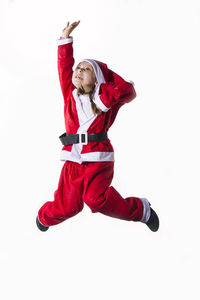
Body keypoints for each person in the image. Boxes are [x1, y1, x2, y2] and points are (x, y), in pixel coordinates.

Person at [36, 20, 159, 232]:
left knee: (95, 200)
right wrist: (65, 38)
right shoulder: (70, 94)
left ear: (97, 80)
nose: (79, 70)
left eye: (86, 69)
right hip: (73, 157)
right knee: (68, 206)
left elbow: (129, 91)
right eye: (78, 67)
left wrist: (106, 99)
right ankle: (44, 217)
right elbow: (64, 65)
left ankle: (141, 210)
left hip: (98, 156)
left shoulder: (105, 98)